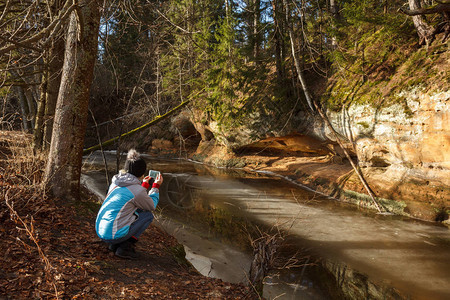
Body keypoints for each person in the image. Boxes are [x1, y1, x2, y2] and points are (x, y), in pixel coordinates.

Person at [95, 149, 163, 259]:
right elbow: (151, 205)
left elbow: (132, 198)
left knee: (135, 209)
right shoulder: (136, 191)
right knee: (147, 215)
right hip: (111, 235)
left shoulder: (116, 182)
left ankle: (114, 244)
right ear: (141, 172)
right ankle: (124, 248)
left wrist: (144, 185)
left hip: (100, 230)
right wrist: (155, 187)